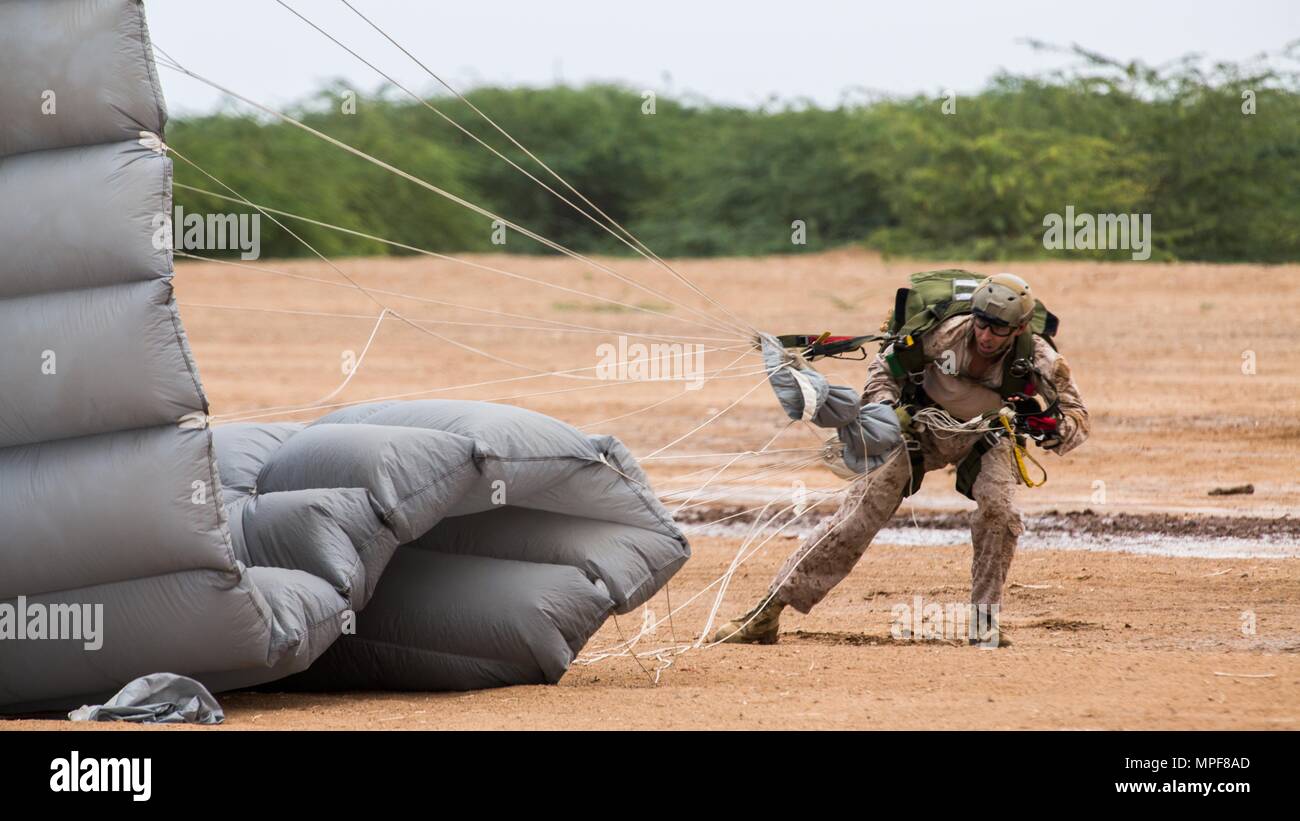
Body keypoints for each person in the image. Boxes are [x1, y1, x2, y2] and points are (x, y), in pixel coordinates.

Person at [712, 273, 1090, 647]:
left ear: (1020, 328)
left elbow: (1078, 419)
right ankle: (766, 614)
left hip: (988, 437)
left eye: (999, 329)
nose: (986, 336)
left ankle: (984, 622)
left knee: (1001, 512)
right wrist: (885, 413)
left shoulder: (1040, 357)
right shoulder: (944, 333)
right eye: (982, 323)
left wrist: (1050, 428)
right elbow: (883, 368)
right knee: (856, 518)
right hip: (917, 431)